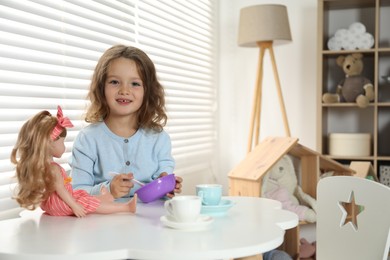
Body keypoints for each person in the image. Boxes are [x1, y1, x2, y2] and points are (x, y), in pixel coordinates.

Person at [71, 44, 182, 199]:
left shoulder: (159, 138)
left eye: (135, 84)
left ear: (147, 91)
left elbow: (162, 182)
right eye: (115, 82)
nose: (124, 90)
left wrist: (166, 186)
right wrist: (108, 190)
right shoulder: (87, 139)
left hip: (148, 222)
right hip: (102, 222)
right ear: (101, 87)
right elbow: (77, 193)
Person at [11, 106, 137, 217]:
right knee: (87, 203)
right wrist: (75, 206)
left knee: (82, 195)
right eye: (62, 142)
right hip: (59, 204)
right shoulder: (53, 168)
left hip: (50, 205)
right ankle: (125, 207)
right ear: (49, 143)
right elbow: (61, 190)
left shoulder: (46, 166)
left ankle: (105, 198)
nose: (64, 147)